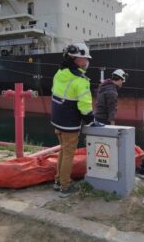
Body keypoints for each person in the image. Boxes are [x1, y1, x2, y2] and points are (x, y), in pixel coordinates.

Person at [51, 42, 94, 197]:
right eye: (84, 59)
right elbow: (85, 106)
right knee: (68, 154)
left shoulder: (60, 73)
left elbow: (55, 93)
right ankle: (65, 187)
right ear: (76, 60)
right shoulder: (80, 80)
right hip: (69, 123)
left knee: (63, 150)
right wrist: (91, 120)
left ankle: (58, 181)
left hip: (57, 120)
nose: (87, 62)